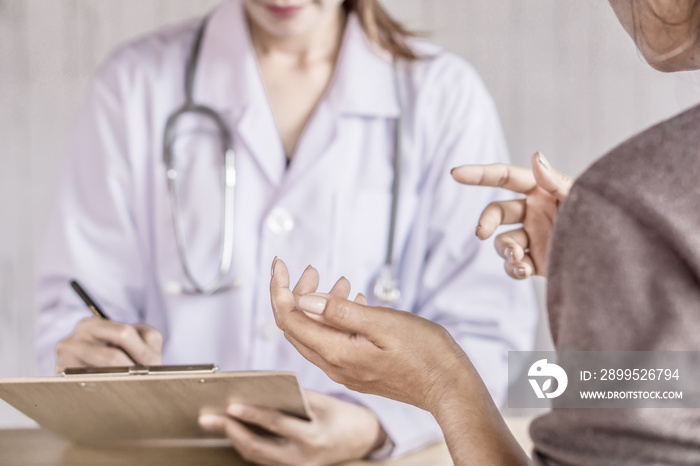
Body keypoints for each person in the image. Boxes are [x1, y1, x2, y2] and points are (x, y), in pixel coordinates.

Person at [35, 0, 538, 463]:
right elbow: (74, 309)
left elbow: (490, 338)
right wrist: (84, 354)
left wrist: (376, 425)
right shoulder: (135, 84)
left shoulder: (442, 96)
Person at [269, 0, 700, 464]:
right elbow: (681, 387)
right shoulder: (637, 208)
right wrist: (619, 275)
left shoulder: (635, 203)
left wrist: (444, 380)